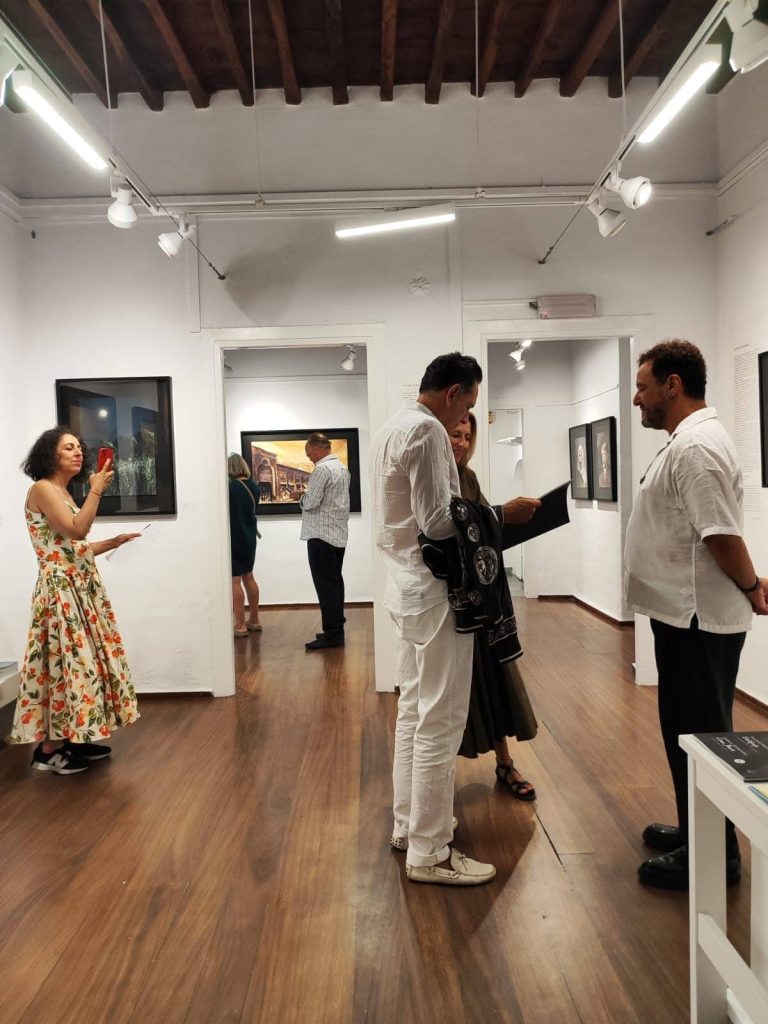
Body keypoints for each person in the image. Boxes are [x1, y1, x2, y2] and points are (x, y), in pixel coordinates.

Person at [371, 352, 539, 886]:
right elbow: (440, 522)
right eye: (468, 404)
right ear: (452, 393)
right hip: (434, 593)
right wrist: (501, 515)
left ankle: (408, 827)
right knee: (440, 722)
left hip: (404, 587)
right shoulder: (426, 432)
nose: (466, 416)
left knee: (414, 714)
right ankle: (431, 852)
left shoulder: (392, 427)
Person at [624, 339, 768, 890]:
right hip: (685, 616)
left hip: (698, 618)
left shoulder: (696, 447)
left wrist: (752, 586)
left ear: (673, 385)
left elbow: (721, 535)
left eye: (642, 387)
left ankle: (715, 853)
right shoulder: (686, 442)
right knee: (688, 733)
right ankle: (696, 831)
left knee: (703, 736)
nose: (637, 398)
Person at [11, 428, 141, 775]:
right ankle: (48, 750)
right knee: (65, 664)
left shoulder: (62, 491)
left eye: (78, 448)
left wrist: (113, 541)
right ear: (49, 454)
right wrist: (96, 489)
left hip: (78, 588)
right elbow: (77, 530)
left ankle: (70, 740)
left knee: (80, 666)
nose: (78, 453)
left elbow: (72, 548)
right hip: (60, 593)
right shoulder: (42, 488)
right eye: (68, 448)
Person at [449, 413, 538, 799]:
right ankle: (437, 783)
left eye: (466, 436)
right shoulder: (433, 475)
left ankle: (505, 762)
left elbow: (482, 526)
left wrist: (511, 518)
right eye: (455, 434)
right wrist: (501, 514)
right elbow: (446, 528)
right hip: (448, 600)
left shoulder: (467, 477)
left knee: (495, 678)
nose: (461, 442)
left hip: (480, 597)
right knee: (452, 691)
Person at [300, 433, 351, 650]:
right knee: (335, 584)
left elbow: (311, 502)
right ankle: (336, 629)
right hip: (338, 534)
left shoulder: (321, 470)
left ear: (318, 449)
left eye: (309, 453)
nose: (309, 457)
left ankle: (333, 635)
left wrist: (301, 497)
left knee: (326, 586)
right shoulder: (342, 469)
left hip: (321, 535)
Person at [228, 452, 262, 638]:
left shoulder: (230, 487)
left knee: (235, 580)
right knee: (249, 577)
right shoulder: (253, 486)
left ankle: (240, 625)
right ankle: (254, 620)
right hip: (249, 536)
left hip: (234, 536)